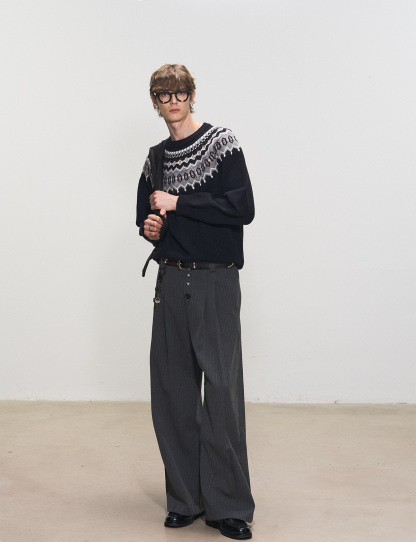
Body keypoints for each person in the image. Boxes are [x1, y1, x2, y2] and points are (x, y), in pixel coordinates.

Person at [136, 64, 255, 540]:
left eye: (180, 92)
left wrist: (181, 204)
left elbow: (242, 208)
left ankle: (228, 505)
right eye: (164, 95)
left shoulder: (222, 143)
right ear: (155, 101)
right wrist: (150, 227)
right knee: (173, 394)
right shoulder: (155, 159)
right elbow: (147, 216)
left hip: (215, 280)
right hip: (171, 280)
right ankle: (185, 499)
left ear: (191, 95)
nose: (173, 101)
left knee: (222, 394)